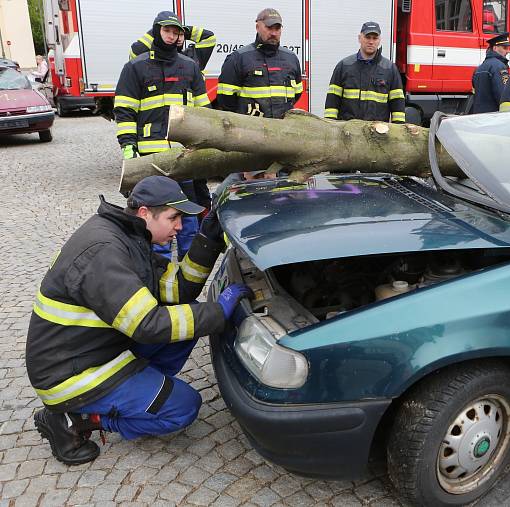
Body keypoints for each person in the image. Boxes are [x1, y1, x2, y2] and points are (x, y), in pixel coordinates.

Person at [27, 175, 252, 465]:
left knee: (189, 317)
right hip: (71, 375)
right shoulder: (106, 252)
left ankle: (140, 394)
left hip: (95, 351)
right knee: (183, 408)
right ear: (145, 212)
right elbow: (148, 324)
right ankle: (78, 418)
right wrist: (218, 312)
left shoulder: (128, 235)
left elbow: (176, 289)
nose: (179, 227)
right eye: (174, 218)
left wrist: (207, 240)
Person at [115, 12, 211, 260]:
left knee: (188, 221)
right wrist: (128, 146)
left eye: (177, 32)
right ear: (156, 31)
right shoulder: (136, 66)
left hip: (183, 157)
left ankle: (189, 276)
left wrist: (206, 145)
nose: (172, 36)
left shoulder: (190, 67)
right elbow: (124, 110)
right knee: (157, 221)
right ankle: (158, 270)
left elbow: (204, 112)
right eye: (167, 31)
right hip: (152, 158)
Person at [217, 8, 303, 119]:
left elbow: (297, 93)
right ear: (257, 27)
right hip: (252, 131)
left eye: (277, 28)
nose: (273, 33)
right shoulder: (238, 58)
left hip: (282, 130)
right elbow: (226, 100)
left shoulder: (291, 58)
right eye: (269, 28)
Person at [324, 21, 405, 123]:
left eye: (374, 38)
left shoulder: (389, 69)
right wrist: (330, 127)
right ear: (359, 38)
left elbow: (398, 105)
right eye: (367, 37)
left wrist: (397, 132)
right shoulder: (344, 66)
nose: (371, 41)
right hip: (347, 133)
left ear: (379, 40)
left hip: (377, 134)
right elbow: (332, 101)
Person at [129, 23, 216, 71]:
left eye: (181, 34)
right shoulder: (161, 58)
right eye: (174, 34)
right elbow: (137, 50)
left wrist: (182, 28)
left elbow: (209, 37)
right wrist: (158, 31)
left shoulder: (192, 56)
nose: (178, 37)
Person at [470, 32, 510, 113]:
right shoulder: (499, 67)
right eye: (505, 48)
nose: (508, 51)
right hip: (493, 117)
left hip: (478, 116)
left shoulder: (478, 68)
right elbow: (503, 96)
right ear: (495, 48)